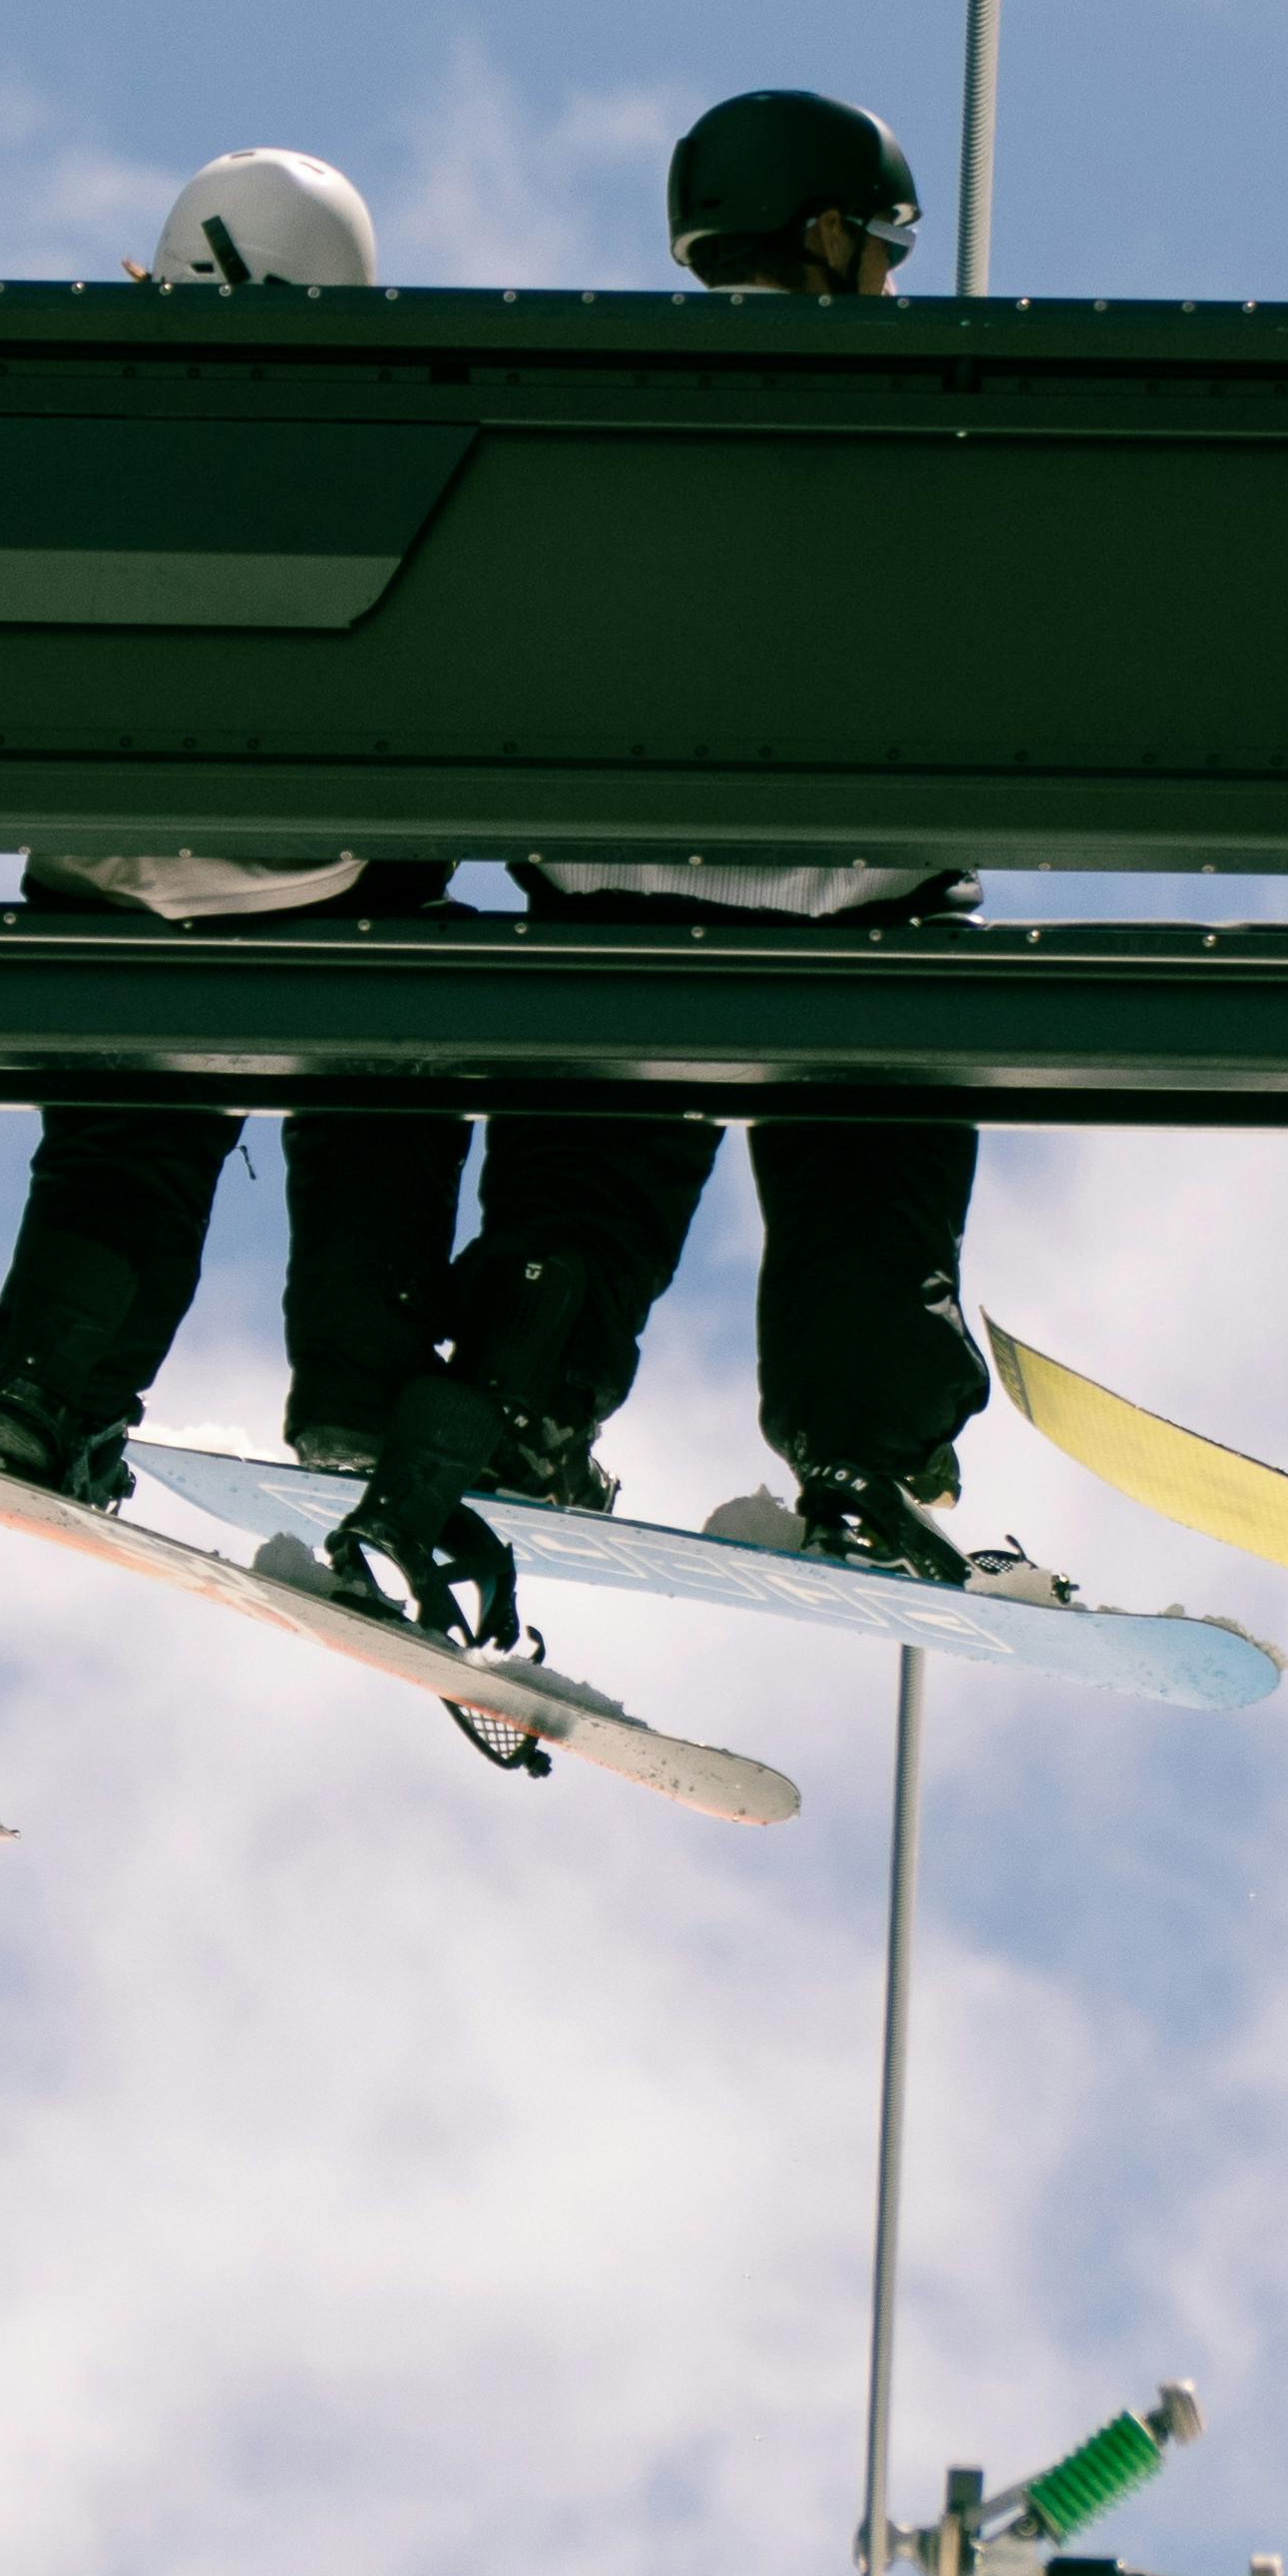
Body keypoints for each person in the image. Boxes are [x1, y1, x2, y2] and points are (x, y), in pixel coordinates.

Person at [349, 91, 991, 1600]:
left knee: (585, 1194)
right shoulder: (925, 401)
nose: (891, 281)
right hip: (844, 901)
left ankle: (501, 1405)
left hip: (619, 888)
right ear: (827, 232)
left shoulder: (604, 402)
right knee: (863, 1178)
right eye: (881, 248)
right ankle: (862, 1457)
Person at [0, 149, 475, 1509]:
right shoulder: (385, 457)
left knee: (129, 1135)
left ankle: (46, 1381)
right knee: (401, 1039)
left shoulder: (73, 438)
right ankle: (360, 1402)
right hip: (321, 891)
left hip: (105, 893)